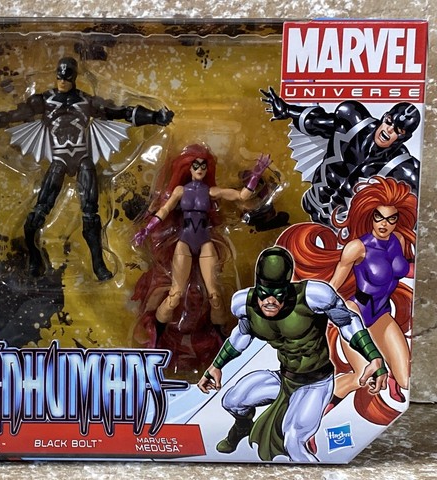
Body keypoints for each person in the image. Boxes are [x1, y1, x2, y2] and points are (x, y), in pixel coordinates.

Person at [0, 57, 173, 280]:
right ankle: (34, 256)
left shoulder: (86, 101)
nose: (62, 81)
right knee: (39, 210)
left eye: (66, 77)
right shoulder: (45, 100)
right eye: (59, 77)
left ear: (74, 77)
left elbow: (120, 112)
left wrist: (155, 117)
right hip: (59, 159)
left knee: (90, 214)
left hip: (83, 158)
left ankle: (98, 264)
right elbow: (11, 116)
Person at [197, 246, 387, 462]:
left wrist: (374, 357)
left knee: (294, 441)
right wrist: (216, 366)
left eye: (277, 294)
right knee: (232, 401)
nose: (270, 301)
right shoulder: (245, 304)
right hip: (285, 378)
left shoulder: (314, 297)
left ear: (287, 287)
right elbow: (241, 336)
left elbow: (348, 322)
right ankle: (242, 427)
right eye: (264, 293)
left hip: (315, 383)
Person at [277, 176, 416, 424]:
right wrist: (312, 311)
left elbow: (407, 270)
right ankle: (310, 415)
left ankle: (392, 376)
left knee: (406, 381)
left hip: (382, 314)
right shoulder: (357, 248)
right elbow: (333, 286)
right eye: (379, 217)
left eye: (391, 219)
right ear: (370, 216)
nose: (384, 224)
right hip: (355, 314)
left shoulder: (399, 241)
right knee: (363, 376)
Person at [133, 144, 270, 330]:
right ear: (188, 168)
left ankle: (221, 332)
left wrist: (255, 175)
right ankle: (156, 329)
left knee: (215, 296)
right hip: (184, 242)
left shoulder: (211, 191)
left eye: (203, 166)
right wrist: (147, 229)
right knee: (175, 294)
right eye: (195, 165)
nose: (199, 169)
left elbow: (241, 196)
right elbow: (164, 210)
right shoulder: (180, 191)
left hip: (205, 242)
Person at [261, 87, 420, 226]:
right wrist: (288, 110)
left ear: (404, 137)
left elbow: (416, 212)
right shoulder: (354, 122)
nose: (389, 130)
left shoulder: (405, 168)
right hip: (312, 202)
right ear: (384, 116)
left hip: (343, 228)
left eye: (398, 130)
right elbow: (315, 122)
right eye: (389, 121)